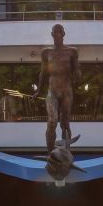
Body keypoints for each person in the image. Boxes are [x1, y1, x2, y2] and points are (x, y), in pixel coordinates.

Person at [38, 23, 79, 152]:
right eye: (55, 32)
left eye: (59, 32)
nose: (57, 35)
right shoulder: (46, 52)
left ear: (63, 34)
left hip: (66, 91)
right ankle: (51, 153)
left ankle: (66, 152)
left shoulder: (72, 51)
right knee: (52, 121)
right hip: (53, 91)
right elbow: (43, 73)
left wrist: (78, 74)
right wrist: (39, 90)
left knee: (65, 123)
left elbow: (76, 69)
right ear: (52, 35)